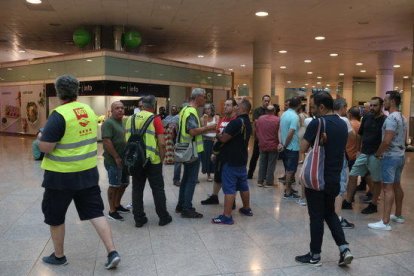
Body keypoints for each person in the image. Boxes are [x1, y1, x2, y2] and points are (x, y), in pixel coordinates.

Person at [39, 75, 120, 269]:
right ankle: (112, 251)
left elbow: (46, 147)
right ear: (77, 91)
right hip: (87, 173)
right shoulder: (88, 110)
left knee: (56, 216)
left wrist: (41, 136)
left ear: (59, 92)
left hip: (60, 178)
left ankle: (59, 256)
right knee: (95, 212)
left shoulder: (59, 115)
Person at [295, 91, 353, 267]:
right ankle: (344, 249)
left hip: (317, 178)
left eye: (313, 107)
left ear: (321, 106)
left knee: (316, 217)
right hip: (334, 177)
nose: (312, 110)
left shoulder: (317, 123)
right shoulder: (343, 124)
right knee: (330, 213)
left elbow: (303, 147)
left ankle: (315, 255)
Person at [125, 95, 172, 227]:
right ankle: (163, 217)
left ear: (142, 105)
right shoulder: (155, 119)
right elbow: (162, 143)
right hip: (152, 160)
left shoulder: (130, 118)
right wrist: (161, 159)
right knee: (158, 189)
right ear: (154, 105)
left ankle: (139, 219)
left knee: (137, 189)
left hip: (136, 160)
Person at [368, 91, 407, 231]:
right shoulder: (403, 117)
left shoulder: (390, 119)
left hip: (390, 157)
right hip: (401, 156)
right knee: (397, 185)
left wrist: (378, 153)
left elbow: (387, 140)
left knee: (387, 188)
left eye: (385, 100)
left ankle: (385, 222)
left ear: (392, 101)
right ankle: (398, 215)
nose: (384, 103)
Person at [175, 88, 216, 218]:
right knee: (191, 180)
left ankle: (181, 205)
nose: (205, 99)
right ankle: (187, 208)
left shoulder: (184, 110)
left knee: (186, 179)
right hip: (191, 151)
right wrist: (209, 127)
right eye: (204, 96)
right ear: (197, 97)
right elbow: (192, 131)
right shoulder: (191, 111)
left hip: (185, 149)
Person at [342, 97, 386, 214]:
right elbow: (360, 135)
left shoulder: (385, 120)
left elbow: (386, 140)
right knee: (352, 174)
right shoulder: (366, 117)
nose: (372, 108)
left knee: (376, 180)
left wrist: (379, 154)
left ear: (381, 106)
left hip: (376, 155)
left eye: (375, 105)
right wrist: (358, 150)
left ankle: (374, 204)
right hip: (363, 153)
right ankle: (348, 201)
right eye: (371, 105)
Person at [212, 98, 253, 224]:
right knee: (243, 185)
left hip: (231, 159)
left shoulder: (236, 122)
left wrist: (217, 134)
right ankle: (246, 208)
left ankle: (227, 216)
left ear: (242, 108)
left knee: (229, 188)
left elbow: (224, 139)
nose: (235, 107)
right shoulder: (248, 122)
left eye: (237, 105)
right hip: (242, 159)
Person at [201, 98, 237, 205]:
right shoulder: (222, 119)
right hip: (220, 153)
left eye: (228, 105)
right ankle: (214, 197)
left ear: (235, 107)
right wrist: (214, 152)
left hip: (231, 154)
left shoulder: (236, 120)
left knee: (230, 178)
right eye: (225, 105)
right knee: (217, 176)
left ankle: (232, 200)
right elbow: (217, 135)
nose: (225, 107)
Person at [102, 101, 130, 221]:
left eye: (122, 108)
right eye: (117, 108)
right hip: (113, 160)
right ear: (111, 111)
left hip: (124, 160)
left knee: (124, 183)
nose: (120, 110)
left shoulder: (123, 122)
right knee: (114, 185)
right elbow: (107, 141)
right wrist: (116, 157)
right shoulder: (108, 123)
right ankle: (112, 210)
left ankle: (117, 205)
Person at [333, 98, 355, 229]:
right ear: (343, 108)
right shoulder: (344, 120)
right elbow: (352, 136)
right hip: (339, 155)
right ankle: (337, 217)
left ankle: (329, 214)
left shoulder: (325, 119)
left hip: (327, 157)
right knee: (340, 185)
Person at [279, 96, 301, 199]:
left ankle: (289, 188)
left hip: (285, 146)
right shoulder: (295, 116)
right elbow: (291, 132)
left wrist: (281, 143)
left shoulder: (284, 114)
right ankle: (287, 191)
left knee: (289, 169)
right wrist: (285, 145)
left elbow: (280, 130)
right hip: (292, 147)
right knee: (291, 170)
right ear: (299, 105)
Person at [255, 104, 280, 188]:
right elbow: (279, 133)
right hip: (273, 145)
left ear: (266, 111)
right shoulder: (277, 120)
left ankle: (260, 181)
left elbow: (257, 130)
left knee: (262, 163)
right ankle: (269, 182)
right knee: (271, 164)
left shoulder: (260, 119)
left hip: (262, 144)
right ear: (274, 111)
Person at [247, 94, 271, 179]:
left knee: (266, 157)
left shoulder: (270, 111)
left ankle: (264, 175)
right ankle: (250, 174)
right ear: (262, 101)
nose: (267, 102)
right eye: (265, 101)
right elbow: (256, 122)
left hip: (268, 138)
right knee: (255, 156)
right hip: (259, 137)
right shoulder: (257, 110)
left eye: (268, 101)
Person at [201, 103, 220, 182]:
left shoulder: (217, 117)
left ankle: (217, 173)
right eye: (206, 109)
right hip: (206, 140)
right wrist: (212, 127)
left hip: (216, 140)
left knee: (217, 157)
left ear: (212, 109)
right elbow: (203, 131)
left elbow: (217, 128)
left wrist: (208, 128)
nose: (207, 110)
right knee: (207, 158)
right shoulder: (202, 118)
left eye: (209, 108)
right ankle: (208, 174)